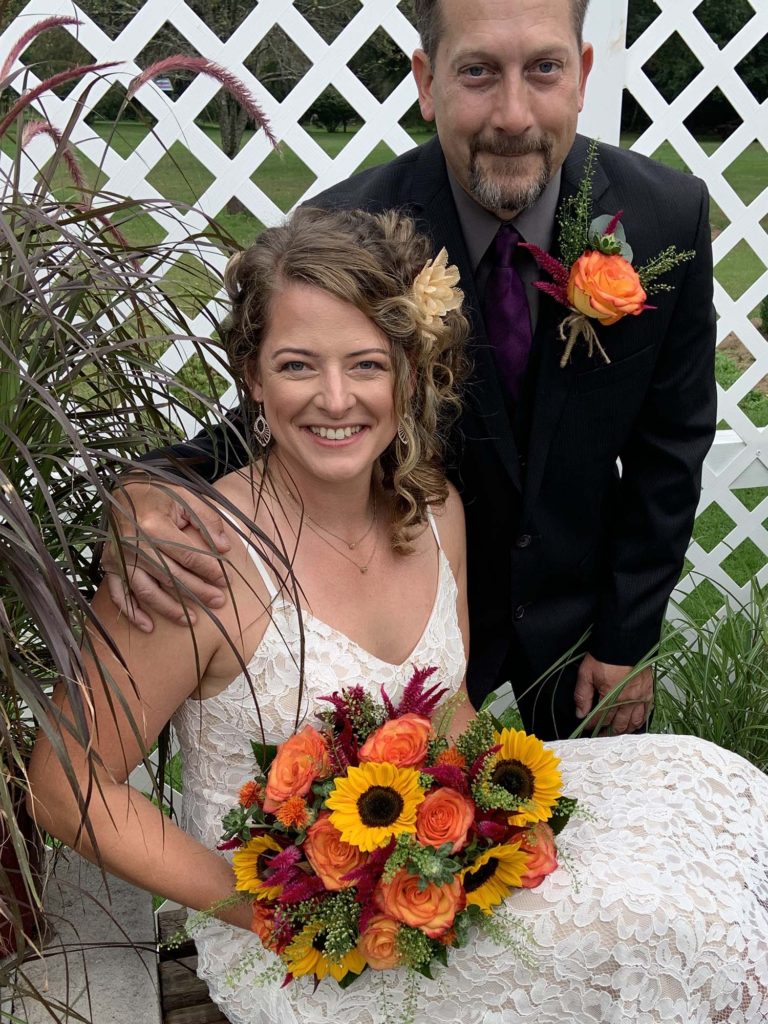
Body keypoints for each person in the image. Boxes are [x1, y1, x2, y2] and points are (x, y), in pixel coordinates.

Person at [28, 207, 768, 1024]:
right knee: (676, 931)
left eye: (367, 364)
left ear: (409, 374)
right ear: (252, 375)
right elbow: (66, 790)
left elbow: (445, 703)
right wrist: (263, 907)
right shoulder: (195, 560)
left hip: (427, 863)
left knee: (714, 787)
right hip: (309, 948)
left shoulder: (434, 510)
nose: (336, 399)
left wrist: (484, 822)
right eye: (298, 365)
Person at [102, 0, 717, 741]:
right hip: (409, 623)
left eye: (544, 69)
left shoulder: (666, 217)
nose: (514, 115)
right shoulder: (351, 227)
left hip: (583, 632)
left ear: (583, 75)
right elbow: (296, 410)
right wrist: (147, 488)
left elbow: (670, 447)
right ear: (427, 82)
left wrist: (628, 636)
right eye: (479, 72)